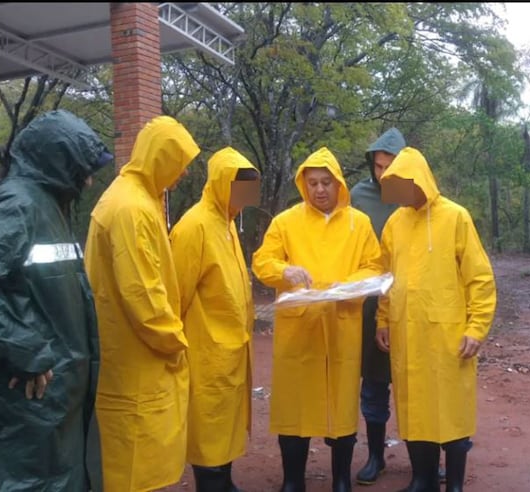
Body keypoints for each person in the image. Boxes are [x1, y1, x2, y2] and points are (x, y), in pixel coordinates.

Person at [0, 109, 113, 492]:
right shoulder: (17, 206)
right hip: (23, 408)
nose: (88, 180)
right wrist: (25, 349)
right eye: (81, 168)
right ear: (57, 161)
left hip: (49, 405)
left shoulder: (48, 206)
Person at [251, 147, 382, 492]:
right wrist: (285, 270)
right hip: (300, 329)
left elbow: (374, 265)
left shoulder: (359, 223)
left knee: (340, 407)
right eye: (312, 183)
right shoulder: (287, 221)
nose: (320, 189)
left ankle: (341, 478)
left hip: (342, 325)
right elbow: (262, 261)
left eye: (326, 182)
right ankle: (293, 479)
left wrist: (349, 285)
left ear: (339, 183)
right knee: (295, 405)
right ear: (303, 185)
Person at [84, 115, 201, 492]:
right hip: (136, 359)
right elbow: (143, 295)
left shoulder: (134, 197)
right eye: (178, 164)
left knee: (134, 460)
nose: (181, 175)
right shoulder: (131, 209)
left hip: (132, 354)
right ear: (160, 159)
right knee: (132, 465)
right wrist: (175, 341)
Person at [375, 147, 497, 492]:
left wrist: (477, 327)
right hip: (406, 335)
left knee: (451, 411)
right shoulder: (394, 224)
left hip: (449, 336)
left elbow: (480, 278)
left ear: (421, 180)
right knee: (414, 409)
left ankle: (454, 483)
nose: (398, 191)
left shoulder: (455, 217)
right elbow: (386, 278)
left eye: (403, 182)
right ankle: (422, 479)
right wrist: (382, 320)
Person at [169, 147, 261, 492]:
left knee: (225, 428)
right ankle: (212, 485)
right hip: (205, 354)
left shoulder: (226, 223)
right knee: (208, 433)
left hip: (232, 353)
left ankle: (224, 482)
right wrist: (175, 350)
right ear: (222, 184)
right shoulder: (195, 226)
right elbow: (175, 297)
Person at [349, 127, 404, 485]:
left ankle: (427, 455)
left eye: (390, 166)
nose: (382, 174)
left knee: (418, 383)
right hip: (371, 304)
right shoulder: (358, 195)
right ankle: (375, 456)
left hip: (412, 301)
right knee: (374, 382)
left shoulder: (417, 196)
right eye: (378, 166)